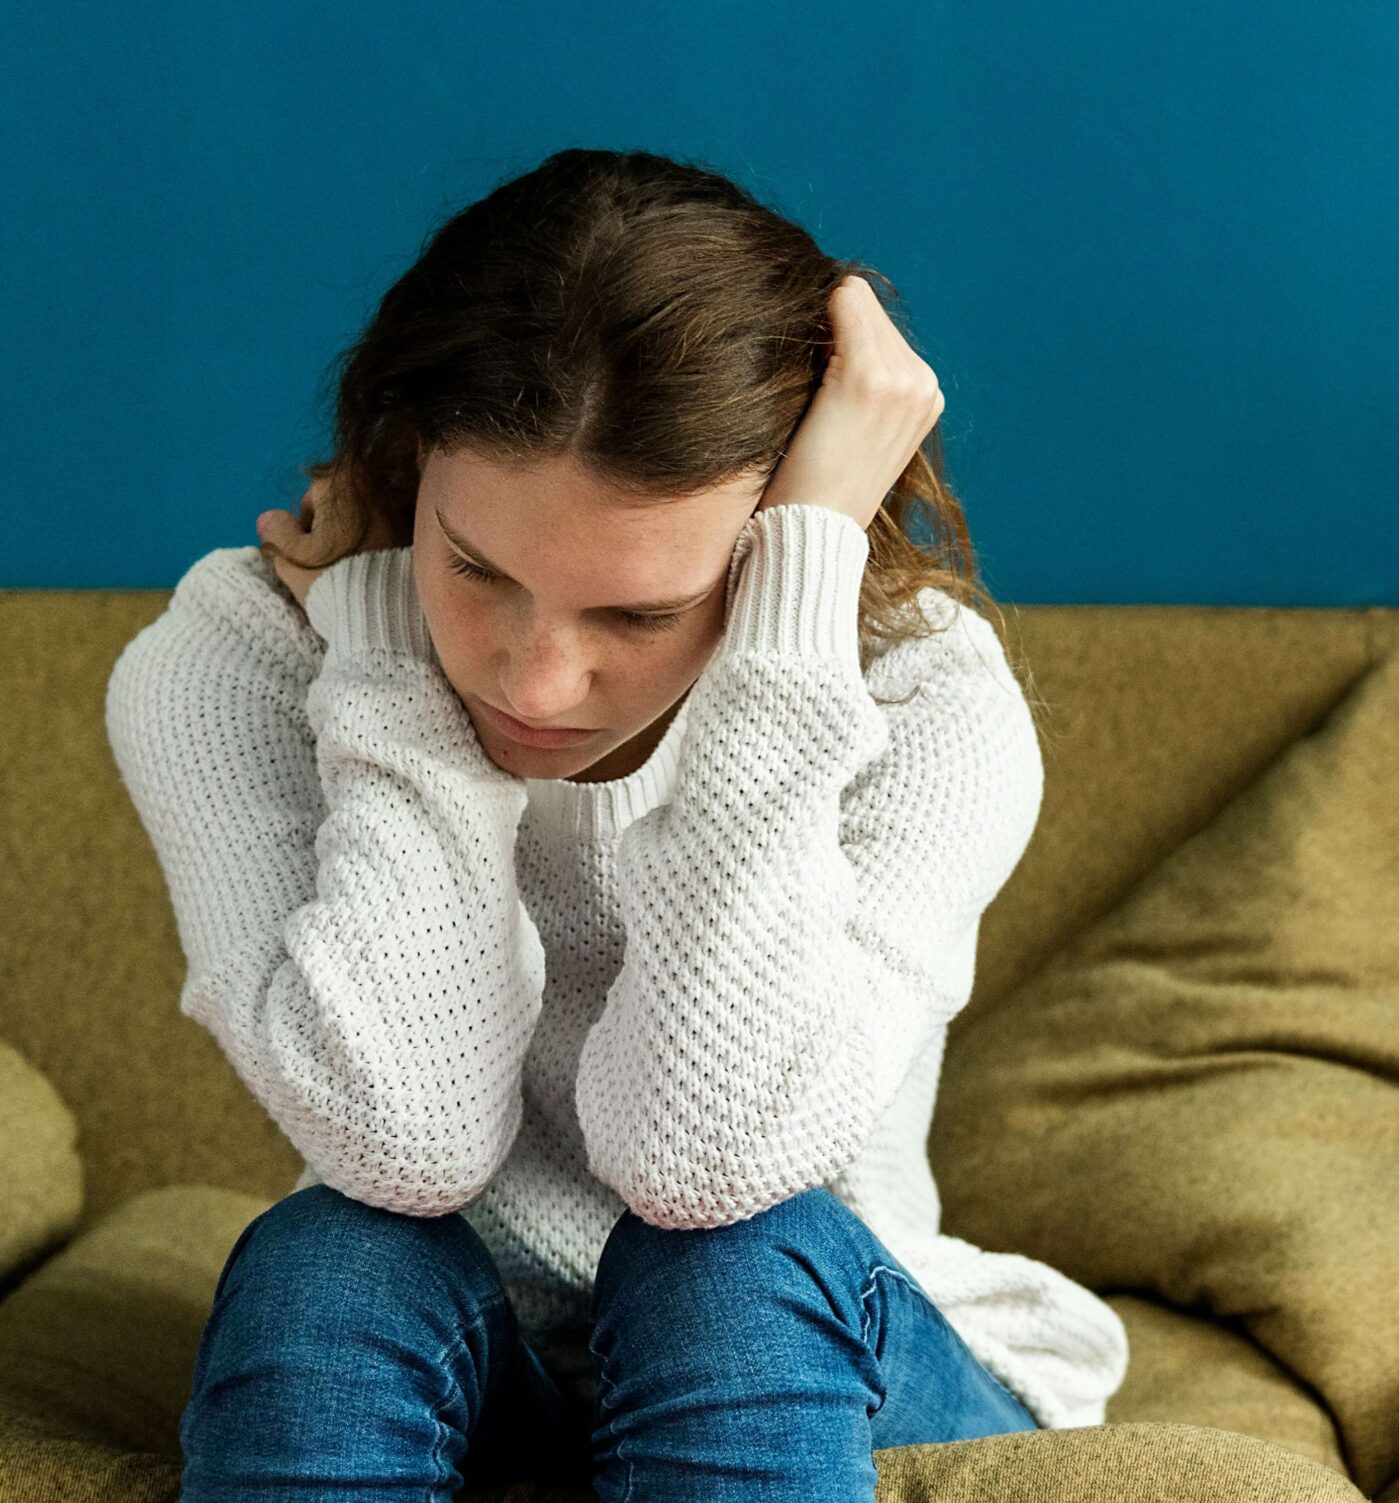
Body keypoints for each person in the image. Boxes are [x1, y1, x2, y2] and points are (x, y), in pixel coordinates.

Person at [105, 148, 1126, 1500]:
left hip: (805, 1340)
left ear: (781, 544)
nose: (534, 682)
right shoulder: (244, 656)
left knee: (722, 1268)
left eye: (639, 613)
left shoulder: (919, 693)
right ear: (407, 471)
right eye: (475, 570)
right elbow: (402, 1141)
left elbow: (704, 1165)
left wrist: (794, 619)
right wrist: (387, 670)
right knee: (330, 1254)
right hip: (459, 1354)